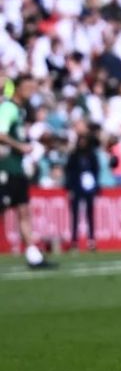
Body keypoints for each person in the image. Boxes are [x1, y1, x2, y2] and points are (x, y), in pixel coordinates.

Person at [0, 75, 54, 269]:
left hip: (17, 169)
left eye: (32, 87)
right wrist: (19, 146)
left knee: (24, 211)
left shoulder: (21, 111)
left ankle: (33, 255)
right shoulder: (8, 108)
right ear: (16, 88)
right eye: (27, 86)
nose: (31, 90)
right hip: (5, 169)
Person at [64, 127, 102, 251]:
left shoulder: (92, 155)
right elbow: (69, 171)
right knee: (75, 214)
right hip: (77, 187)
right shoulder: (74, 155)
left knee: (89, 214)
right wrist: (69, 187)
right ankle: (74, 240)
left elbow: (96, 171)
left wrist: (96, 186)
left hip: (89, 188)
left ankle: (91, 240)